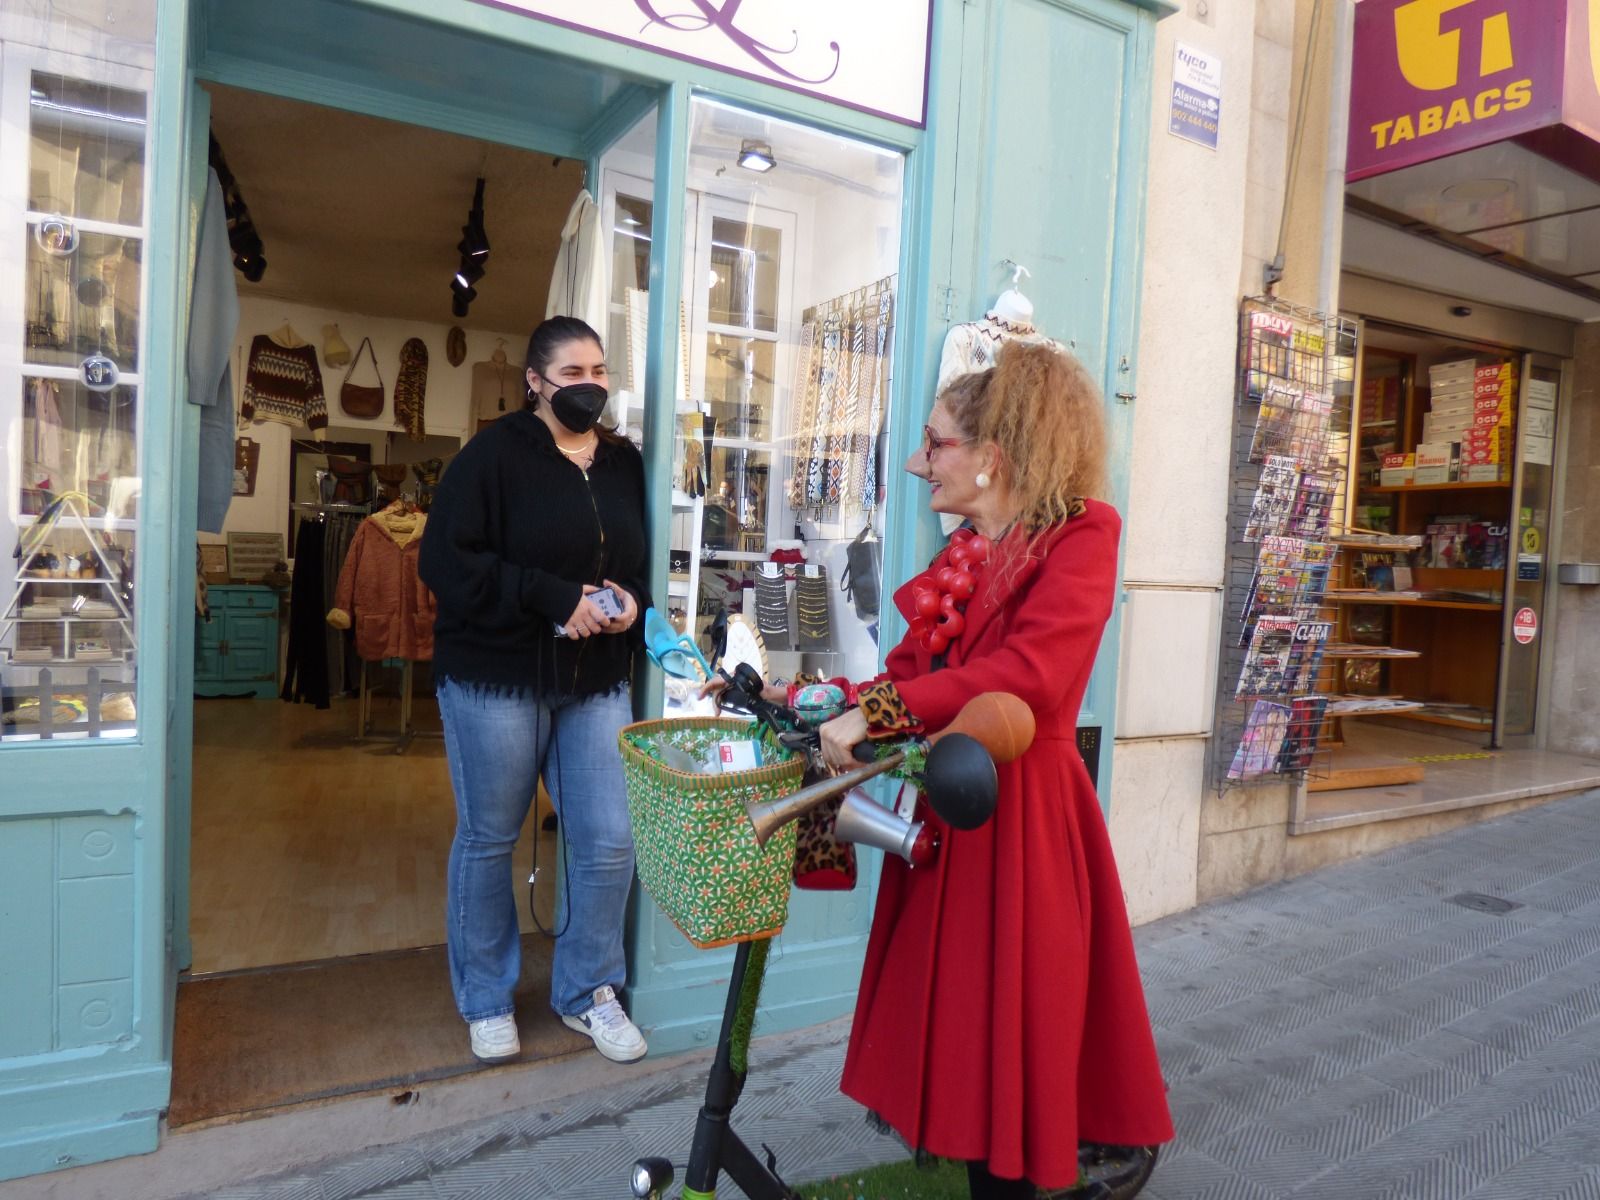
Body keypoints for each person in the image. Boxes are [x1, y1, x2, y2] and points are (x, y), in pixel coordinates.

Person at [818, 342, 1173, 1197]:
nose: (919, 462)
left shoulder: (1084, 534)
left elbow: (1030, 676)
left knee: (1009, 1035)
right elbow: (911, 671)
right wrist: (831, 700)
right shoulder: (969, 552)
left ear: (992, 457)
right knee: (972, 1041)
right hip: (955, 806)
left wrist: (878, 714)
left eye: (936, 443)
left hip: (1021, 814)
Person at [419, 316, 651, 1066]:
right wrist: (554, 597)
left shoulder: (622, 464)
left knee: (610, 840)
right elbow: (447, 564)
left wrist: (631, 601)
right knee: (490, 838)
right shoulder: (490, 457)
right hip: (497, 675)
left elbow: (641, 562)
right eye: (572, 374)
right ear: (535, 381)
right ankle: (486, 998)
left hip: (594, 681)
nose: (590, 386)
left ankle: (588, 991)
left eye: (599, 372)